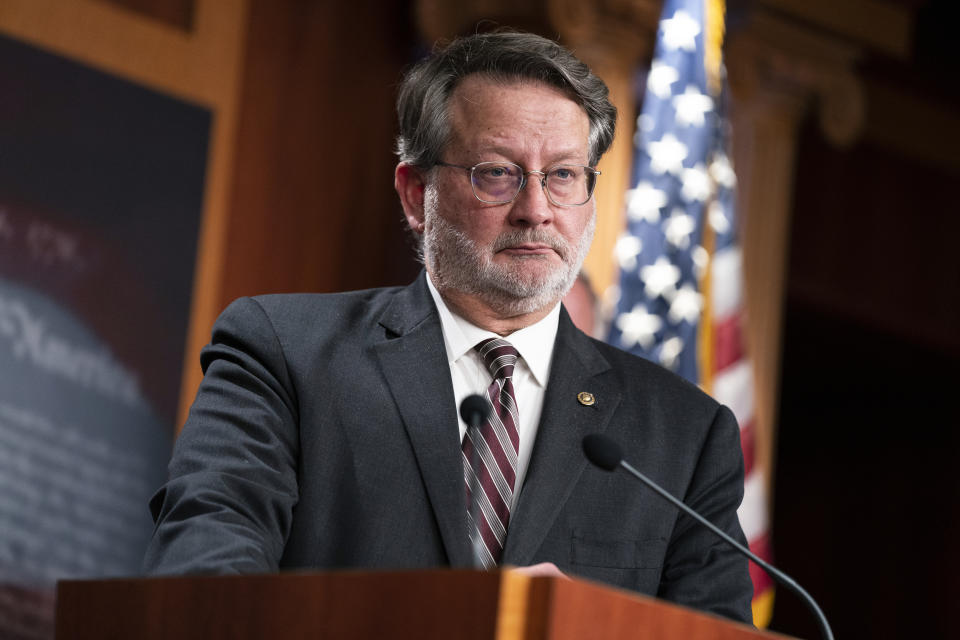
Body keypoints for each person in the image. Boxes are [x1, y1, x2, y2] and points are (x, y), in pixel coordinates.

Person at [143, 30, 753, 623]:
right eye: (497, 172)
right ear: (416, 195)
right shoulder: (284, 353)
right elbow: (201, 582)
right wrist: (458, 617)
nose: (536, 209)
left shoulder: (684, 438)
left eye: (564, 175)